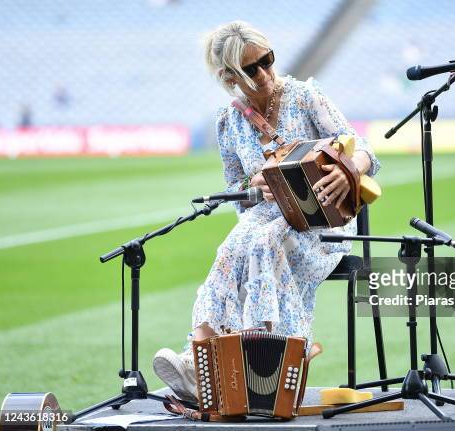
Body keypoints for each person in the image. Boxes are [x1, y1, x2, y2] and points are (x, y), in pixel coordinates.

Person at [152, 21, 380, 402]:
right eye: (252, 69)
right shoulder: (229, 122)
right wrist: (252, 188)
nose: (265, 72)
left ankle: (270, 358)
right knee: (231, 248)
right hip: (266, 219)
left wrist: (349, 171)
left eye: (267, 60)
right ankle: (200, 358)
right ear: (229, 78)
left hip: (323, 225)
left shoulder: (306, 96)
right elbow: (234, 189)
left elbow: (368, 151)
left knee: (262, 241)